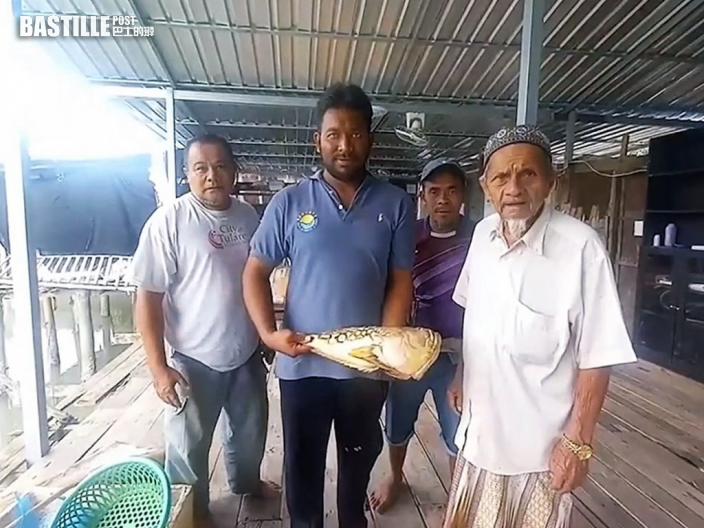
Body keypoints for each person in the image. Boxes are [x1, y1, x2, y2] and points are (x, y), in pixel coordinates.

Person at [443, 125, 638, 528]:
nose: (513, 188)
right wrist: (462, 374)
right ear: (485, 186)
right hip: (478, 439)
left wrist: (577, 443)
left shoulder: (580, 247)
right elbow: (474, 315)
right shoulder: (482, 235)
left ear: (551, 180)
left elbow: (598, 354)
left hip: (538, 454)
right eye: (501, 177)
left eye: (527, 174)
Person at [242, 83, 415, 528]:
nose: (344, 145)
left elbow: (400, 279)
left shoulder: (396, 203)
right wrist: (268, 334)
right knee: (302, 478)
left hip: (365, 370)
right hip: (303, 366)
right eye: (334, 134)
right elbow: (255, 272)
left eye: (355, 134)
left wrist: (386, 346)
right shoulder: (289, 202)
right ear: (317, 140)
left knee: (356, 472)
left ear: (370, 140)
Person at [129, 134, 278, 528]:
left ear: (234, 171)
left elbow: (258, 280)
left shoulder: (248, 217)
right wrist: (158, 368)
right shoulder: (169, 222)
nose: (212, 176)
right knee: (188, 447)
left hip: (246, 352)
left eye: (220, 166)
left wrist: (265, 332)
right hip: (193, 359)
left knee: (250, 435)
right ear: (187, 174)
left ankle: (247, 484)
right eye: (201, 168)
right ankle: (192, 512)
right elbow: (147, 298)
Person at [370, 158, 475, 513]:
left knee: (458, 429)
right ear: (423, 196)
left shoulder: (481, 238)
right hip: (410, 352)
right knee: (398, 421)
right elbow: (387, 284)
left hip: (460, 355)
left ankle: (457, 497)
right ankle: (395, 476)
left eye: (451, 191)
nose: (443, 199)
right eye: (434, 191)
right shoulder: (407, 235)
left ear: (463, 195)